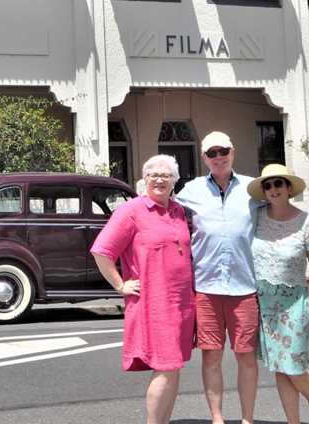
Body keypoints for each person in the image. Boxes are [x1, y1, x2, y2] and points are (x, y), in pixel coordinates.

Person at [175, 131, 309, 424]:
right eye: (212, 153)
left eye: (223, 151)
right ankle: (217, 418)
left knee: (246, 357)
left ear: (233, 151)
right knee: (211, 358)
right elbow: (167, 217)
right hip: (206, 287)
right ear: (204, 157)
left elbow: (282, 211)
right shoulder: (190, 191)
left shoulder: (250, 190)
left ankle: (247, 419)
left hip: (245, 289)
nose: (218, 157)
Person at [91, 154, 196, 424]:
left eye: (166, 175)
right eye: (154, 175)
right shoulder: (131, 211)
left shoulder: (179, 211)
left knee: (174, 369)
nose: (160, 180)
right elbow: (102, 251)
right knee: (166, 366)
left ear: (175, 181)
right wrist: (120, 284)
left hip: (181, 304)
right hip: (154, 304)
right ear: (144, 179)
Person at [248, 163, 309, 424]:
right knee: (280, 368)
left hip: (294, 302)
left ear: (288, 187)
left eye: (278, 183)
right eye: (267, 185)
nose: (273, 189)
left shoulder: (307, 223)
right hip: (264, 302)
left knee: (293, 366)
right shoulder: (256, 216)